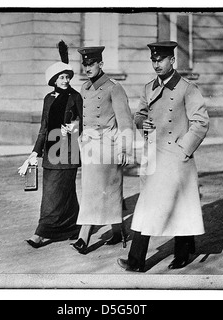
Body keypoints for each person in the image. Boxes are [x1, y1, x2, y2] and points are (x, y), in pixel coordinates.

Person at [117, 41, 210, 271]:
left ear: (172, 61)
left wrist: (184, 149)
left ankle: (179, 254)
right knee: (146, 207)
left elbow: (200, 122)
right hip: (154, 157)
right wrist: (142, 123)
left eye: (161, 60)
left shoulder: (187, 88)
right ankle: (139, 260)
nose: (156, 64)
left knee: (179, 206)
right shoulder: (148, 87)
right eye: (153, 60)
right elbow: (138, 115)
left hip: (176, 158)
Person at [18, 41, 83, 248]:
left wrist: (72, 128)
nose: (65, 80)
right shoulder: (48, 99)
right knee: (64, 192)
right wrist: (34, 153)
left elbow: (84, 122)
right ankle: (73, 227)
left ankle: (41, 232)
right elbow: (44, 127)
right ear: (54, 80)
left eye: (67, 77)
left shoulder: (75, 97)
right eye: (61, 77)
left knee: (55, 193)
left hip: (68, 150)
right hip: (51, 152)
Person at [70, 46, 134, 254]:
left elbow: (125, 121)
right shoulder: (85, 88)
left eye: (91, 64)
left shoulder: (114, 88)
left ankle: (84, 238)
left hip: (109, 144)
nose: (87, 68)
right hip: (90, 144)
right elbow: (82, 116)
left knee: (106, 191)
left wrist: (125, 149)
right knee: (97, 190)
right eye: (85, 64)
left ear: (100, 64)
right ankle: (118, 232)